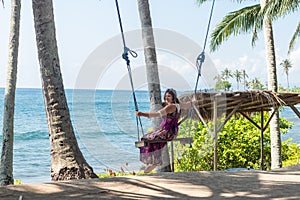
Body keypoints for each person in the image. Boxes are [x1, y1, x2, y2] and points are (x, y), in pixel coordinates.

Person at [136, 88, 195, 173]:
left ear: (173, 97)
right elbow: (187, 105)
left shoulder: (171, 107)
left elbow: (157, 114)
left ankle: (153, 161)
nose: (167, 98)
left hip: (167, 131)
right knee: (152, 139)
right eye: (166, 96)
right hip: (172, 131)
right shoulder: (178, 105)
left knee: (146, 138)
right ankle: (153, 162)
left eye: (169, 96)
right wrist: (193, 101)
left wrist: (142, 114)